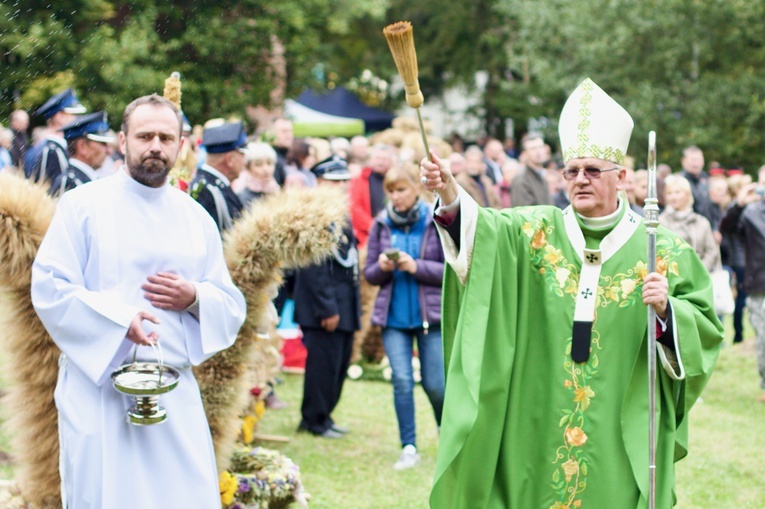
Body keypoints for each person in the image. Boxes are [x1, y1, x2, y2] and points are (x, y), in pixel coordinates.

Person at [419, 78, 723, 508]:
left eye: (593, 171)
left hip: (619, 423)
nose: (580, 179)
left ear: (621, 178)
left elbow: (705, 328)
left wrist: (666, 312)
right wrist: (450, 192)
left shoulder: (663, 250)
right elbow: (481, 234)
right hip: (535, 414)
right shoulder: (533, 232)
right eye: (571, 170)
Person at [30, 93, 247, 509]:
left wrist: (195, 297)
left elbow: (230, 304)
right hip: (99, 390)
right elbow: (51, 286)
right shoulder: (83, 206)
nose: (155, 146)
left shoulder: (194, 217)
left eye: (166, 137)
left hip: (173, 387)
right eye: (144, 135)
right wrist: (118, 319)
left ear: (181, 145)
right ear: (122, 140)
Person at [364, 164, 445, 470]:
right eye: (391, 191)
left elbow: (452, 269)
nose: (395, 197)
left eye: (401, 190)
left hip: (430, 320)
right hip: (393, 319)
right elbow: (369, 274)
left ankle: (446, 433)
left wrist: (417, 267)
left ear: (416, 189)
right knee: (401, 380)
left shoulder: (434, 220)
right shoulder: (381, 224)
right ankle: (408, 446)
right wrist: (383, 266)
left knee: (436, 385)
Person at [294, 155, 361, 438]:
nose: (344, 186)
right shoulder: (315, 214)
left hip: (343, 303)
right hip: (324, 307)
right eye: (336, 181)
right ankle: (314, 419)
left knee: (338, 363)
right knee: (323, 365)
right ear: (320, 182)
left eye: (345, 180)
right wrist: (327, 309)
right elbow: (314, 268)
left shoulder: (336, 212)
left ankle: (326, 415)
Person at [720, 167, 765, 402]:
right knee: (764, 337)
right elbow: (726, 228)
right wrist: (739, 204)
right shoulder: (750, 212)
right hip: (759, 283)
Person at [190, 122, 247, 232]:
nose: (245, 161)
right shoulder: (207, 192)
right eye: (242, 154)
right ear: (230, 160)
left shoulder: (211, 186)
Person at [659, 175, 720, 272]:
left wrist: (699, 271)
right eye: (669, 193)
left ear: (687, 195)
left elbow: (711, 251)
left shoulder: (701, 222)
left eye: (677, 192)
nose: (673, 197)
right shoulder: (660, 222)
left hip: (699, 276)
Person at [28, 88, 87, 184]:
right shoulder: (52, 150)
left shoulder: (53, 147)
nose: (78, 119)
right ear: (59, 116)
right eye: (75, 114)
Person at [49, 111, 113, 196]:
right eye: (103, 143)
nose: (109, 150)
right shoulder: (71, 182)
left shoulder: (80, 179)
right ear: (82, 147)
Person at [350, 144, 396, 246]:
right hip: (367, 235)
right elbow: (355, 207)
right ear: (371, 159)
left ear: (391, 161)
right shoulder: (360, 179)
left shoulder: (396, 179)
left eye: (384, 159)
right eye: (378, 158)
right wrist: (373, 226)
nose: (381, 162)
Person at [510, 132, 553, 206]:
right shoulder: (521, 180)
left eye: (540, 147)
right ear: (525, 154)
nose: (538, 152)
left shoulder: (541, 175)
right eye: (533, 149)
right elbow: (524, 213)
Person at [233, 141, 280, 206]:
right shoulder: (243, 196)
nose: (266, 169)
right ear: (248, 168)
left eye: (269, 163)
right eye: (258, 164)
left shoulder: (275, 189)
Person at [270, 117, 293, 187]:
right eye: (284, 131)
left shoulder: (293, 156)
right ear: (273, 134)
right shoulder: (270, 158)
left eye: (290, 131)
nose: (289, 135)